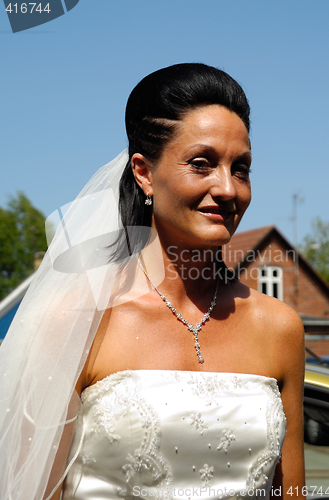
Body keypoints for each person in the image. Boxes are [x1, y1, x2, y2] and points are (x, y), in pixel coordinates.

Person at [0, 63, 305, 500]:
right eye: (201, 164)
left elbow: (288, 492)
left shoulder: (279, 328)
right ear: (144, 173)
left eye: (241, 168)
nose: (228, 189)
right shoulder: (77, 319)